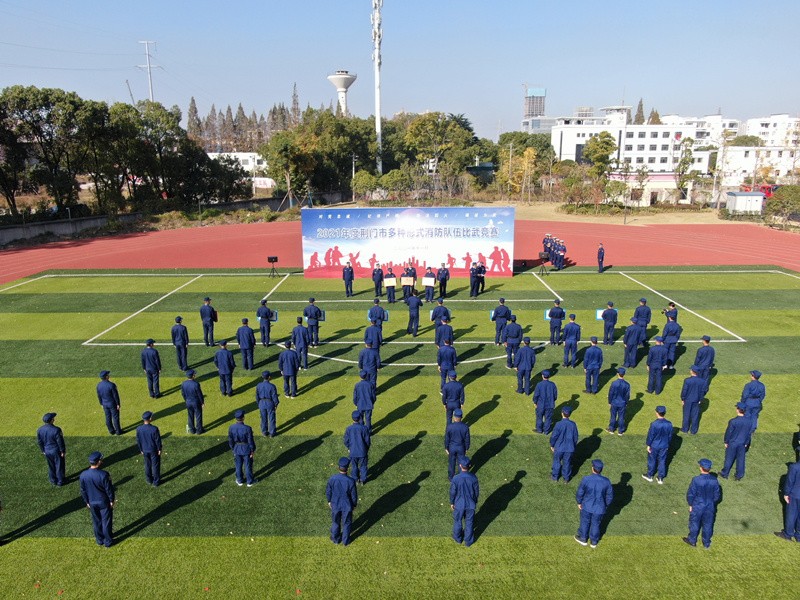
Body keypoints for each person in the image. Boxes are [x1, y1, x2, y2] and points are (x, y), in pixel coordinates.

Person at [575, 459, 613, 548]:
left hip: (586, 506)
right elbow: (609, 496)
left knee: (585, 522)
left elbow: (580, 492)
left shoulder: (586, 479)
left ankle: (583, 539)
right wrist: (605, 504)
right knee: (596, 524)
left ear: (593, 468)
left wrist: (579, 502)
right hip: (600, 508)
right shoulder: (606, 481)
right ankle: (594, 542)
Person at [79, 451, 115, 547]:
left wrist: (86, 501)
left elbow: (83, 490)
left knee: (96, 521)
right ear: (98, 462)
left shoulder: (83, 475)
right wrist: (112, 500)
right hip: (103, 501)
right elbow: (109, 490)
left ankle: (99, 540)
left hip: (92, 502)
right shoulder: (104, 474)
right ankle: (108, 541)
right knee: (106, 521)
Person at [684, 458, 721, 548]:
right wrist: (712, 503)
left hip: (698, 504)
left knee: (694, 522)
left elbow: (691, 494)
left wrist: (690, 504)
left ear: (701, 468)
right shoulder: (714, 480)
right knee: (708, 524)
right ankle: (706, 543)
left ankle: (692, 540)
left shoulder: (696, 480)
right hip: (710, 505)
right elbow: (717, 495)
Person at [326, 457, 358, 545]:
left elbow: (328, 491)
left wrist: (329, 501)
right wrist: (354, 505)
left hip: (335, 504)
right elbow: (354, 496)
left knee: (336, 522)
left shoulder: (332, 479)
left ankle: (335, 539)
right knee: (347, 523)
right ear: (348, 468)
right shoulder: (351, 481)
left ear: (338, 467)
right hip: (347, 506)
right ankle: (345, 541)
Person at [450, 455, 479, 547]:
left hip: (459, 504)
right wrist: (474, 501)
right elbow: (476, 492)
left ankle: (458, 538)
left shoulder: (456, 478)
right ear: (469, 466)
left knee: (458, 521)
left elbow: (452, 492)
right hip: (470, 504)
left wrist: (452, 502)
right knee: (469, 522)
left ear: (460, 466)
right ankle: (468, 541)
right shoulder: (474, 478)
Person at [720, 402, 751, 481]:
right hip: (742, 443)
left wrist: (726, 441)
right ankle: (739, 475)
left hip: (733, 443)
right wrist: (746, 443)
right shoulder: (749, 421)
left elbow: (729, 433)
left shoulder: (733, 421)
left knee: (729, 458)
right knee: (741, 460)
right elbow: (748, 433)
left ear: (738, 410)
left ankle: (725, 473)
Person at [642, 406, 673, 484]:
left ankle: (650, 475)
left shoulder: (654, 424)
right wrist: (667, 444)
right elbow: (670, 436)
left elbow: (651, 435)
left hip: (654, 445)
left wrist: (648, 444)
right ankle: (660, 477)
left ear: (657, 413)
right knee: (662, 461)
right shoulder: (669, 424)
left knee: (652, 460)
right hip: (664, 445)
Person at [775, 445, 800, 542]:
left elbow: (789, 482)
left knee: (791, 514)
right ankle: (798, 536)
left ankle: (788, 534)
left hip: (794, 494)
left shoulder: (794, 467)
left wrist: (785, 494)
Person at [228, 410, 256, 487]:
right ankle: (249, 481)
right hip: (246, 448)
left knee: (238, 465)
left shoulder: (231, 427)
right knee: (247, 466)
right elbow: (250, 440)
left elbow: (230, 440)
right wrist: (252, 450)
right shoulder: (247, 428)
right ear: (243, 418)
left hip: (237, 448)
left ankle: (239, 480)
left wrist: (233, 448)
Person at [550, 405, 577, 482]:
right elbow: (575, 437)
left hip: (559, 447)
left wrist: (552, 445)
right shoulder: (573, 424)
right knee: (567, 463)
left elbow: (554, 436)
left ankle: (555, 477)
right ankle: (566, 478)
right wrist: (574, 446)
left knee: (556, 462)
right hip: (569, 448)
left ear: (562, 413)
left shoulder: (558, 424)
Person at [37, 412, 65, 486]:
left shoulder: (40, 430)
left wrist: (43, 450)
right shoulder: (56, 429)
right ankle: (60, 481)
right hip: (56, 450)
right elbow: (60, 442)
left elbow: (40, 442)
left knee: (51, 466)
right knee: (59, 466)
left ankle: (53, 480)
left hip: (47, 450)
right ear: (52, 420)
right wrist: (62, 451)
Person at [135, 411, 162, 487]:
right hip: (153, 450)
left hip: (144, 450)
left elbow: (138, 440)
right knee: (155, 465)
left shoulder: (139, 429)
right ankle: (156, 482)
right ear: (150, 418)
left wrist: (141, 450)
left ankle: (149, 479)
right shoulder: (154, 429)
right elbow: (157, 440)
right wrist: (159, 449)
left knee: (147, 465)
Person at [344, 410, 371, 485]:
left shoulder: (349, 429)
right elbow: (367, 441)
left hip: (353, 451)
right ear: (360, 418)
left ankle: (355, 479)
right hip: (362, 451)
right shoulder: (364, 428)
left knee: (354, 466)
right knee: (363, 466)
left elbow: (346, 440)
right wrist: (366, 449)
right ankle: (363, 480)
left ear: (352, 418)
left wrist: (349, 448)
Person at [445, 409, 471, 480]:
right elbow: (467, 439)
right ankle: (461, 477)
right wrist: (466, 448)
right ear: (461, 417)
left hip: (452, 447)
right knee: (461, 462)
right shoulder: (465, 427)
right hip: (461, 447)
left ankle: (451, 477)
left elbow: (447, 438)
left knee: (451, 462)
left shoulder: (449, 427)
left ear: (454, 417)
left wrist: (446, 448)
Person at [681, 365, 705, 434]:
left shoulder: (687, 380)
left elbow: (684, 391)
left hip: (688, 400)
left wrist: (683, 399)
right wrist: (700, 399)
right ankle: (693, 430)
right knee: (695, 416)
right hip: (697, 400)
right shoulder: (702, 381)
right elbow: (703, 391)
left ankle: (685, 429)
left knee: (686, 415)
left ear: (692, 372)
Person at [96, 370, 122, 435]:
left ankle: (111, 430)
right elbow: (115, 396)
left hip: (104, 404)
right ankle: (118, 431)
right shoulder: (111, 385)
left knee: (108, 417)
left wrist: (101, 403)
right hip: (112, 404)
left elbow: (99, 396)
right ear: (106, 376)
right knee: (115, 417)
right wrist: (118, 404)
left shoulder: (99, 385)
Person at [741, 370, 766, 435]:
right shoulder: (762, 385)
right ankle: (753, 428)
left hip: (749, 402)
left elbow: (745, 395)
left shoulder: (748, 385)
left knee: (747, 415)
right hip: (757, 402)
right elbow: (763, 395)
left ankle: (746, 428)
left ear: (753, 376)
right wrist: (758, 401)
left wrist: (742, 402)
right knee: (754, 415)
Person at [607, 367, 631, 436]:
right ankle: (620, 431)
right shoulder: (627, 384)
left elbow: (610, 393)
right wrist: (626, 402)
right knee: (621, 417)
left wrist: (609, 401)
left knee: (613, 416)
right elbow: (627, 395)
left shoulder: (614, 383)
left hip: (614, 402)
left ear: (617, 374)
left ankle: (611, 429)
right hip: (622, 403)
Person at [534, 370, 558, 435]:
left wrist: (535, 402)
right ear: (549, 376)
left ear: (542, 376)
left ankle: (539, 429)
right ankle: (546, 431)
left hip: (540, 404)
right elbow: (555, 395)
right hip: (550, 405)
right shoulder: (552, 385)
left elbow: (536, 395)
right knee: (548, 418)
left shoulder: (539, 384)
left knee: (539, 417)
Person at [256, 370, 279, 437]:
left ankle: (264, 432)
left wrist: (259, 403)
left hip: (261, 402)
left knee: (263, 418)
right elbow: (274, 396)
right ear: (269, 377)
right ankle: (272, 433)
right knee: (271, 418)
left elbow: (257, 396)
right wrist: (276, 404)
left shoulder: (259, 385)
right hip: (269, 403)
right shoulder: (272, 386)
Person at [181, 369, 205, 434]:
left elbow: (183, 394)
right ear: (193, 376)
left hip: (188, 402)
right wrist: (202, 402)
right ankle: (199, 430)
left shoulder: (183, 384)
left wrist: (186, 400)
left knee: (190, 416)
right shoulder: (196, 384)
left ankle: (192, 430)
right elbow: (199, 394)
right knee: (198, 416)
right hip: (196, 402)